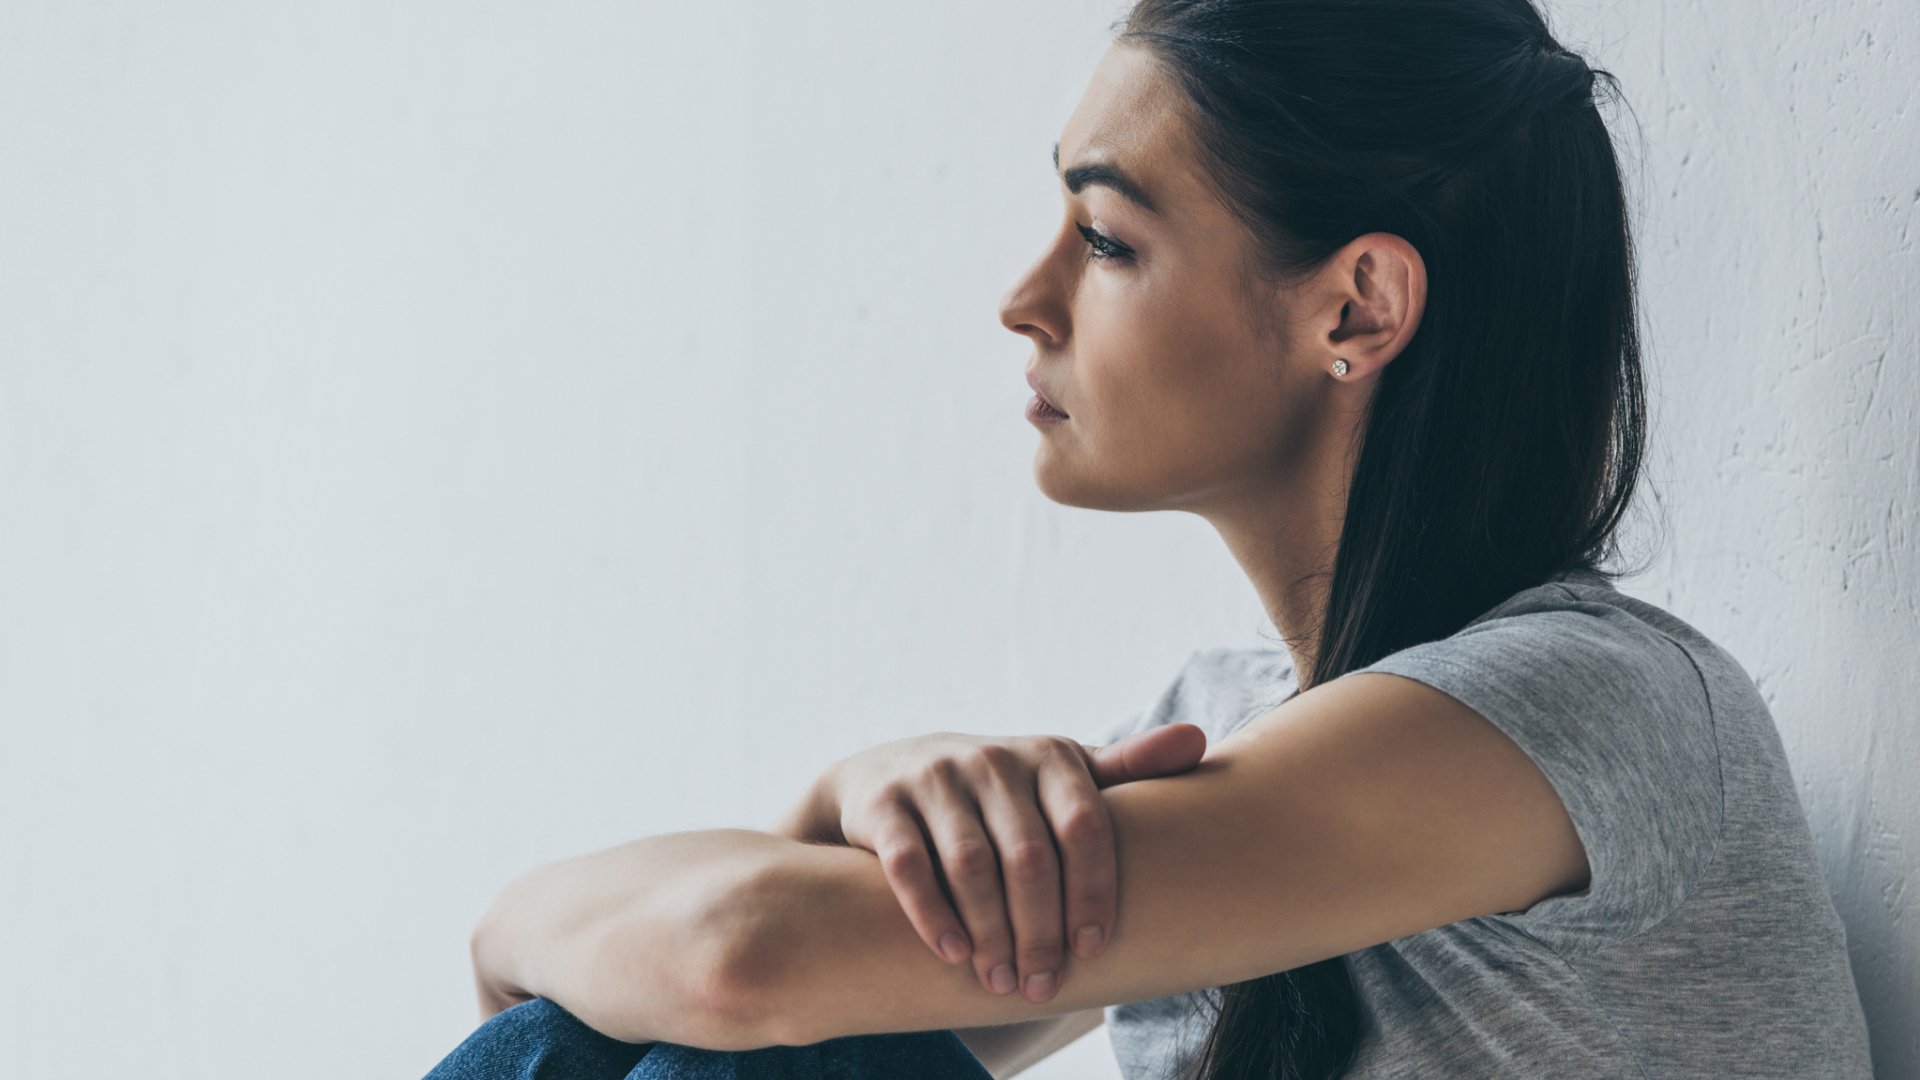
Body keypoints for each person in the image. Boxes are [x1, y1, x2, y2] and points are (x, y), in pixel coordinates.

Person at [424, 1, 1874, 1077]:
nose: (1024, 299)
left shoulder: (1589, 708)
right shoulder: (1218, 719)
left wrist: (547, 924)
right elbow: (662, 987)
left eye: (1107, 240)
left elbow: (742, 959)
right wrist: (842, 796)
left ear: (1357, 307)